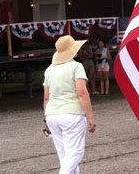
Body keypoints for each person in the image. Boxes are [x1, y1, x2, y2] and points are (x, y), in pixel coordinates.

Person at [43, 35, 96, 173]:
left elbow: (46, 98)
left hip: (52, 115)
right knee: (76, 153)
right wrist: (90, 116)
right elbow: (82, 93)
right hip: (72, 114)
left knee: (64, 155)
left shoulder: (49, 70)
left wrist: (46, 118)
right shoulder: (76, 67)